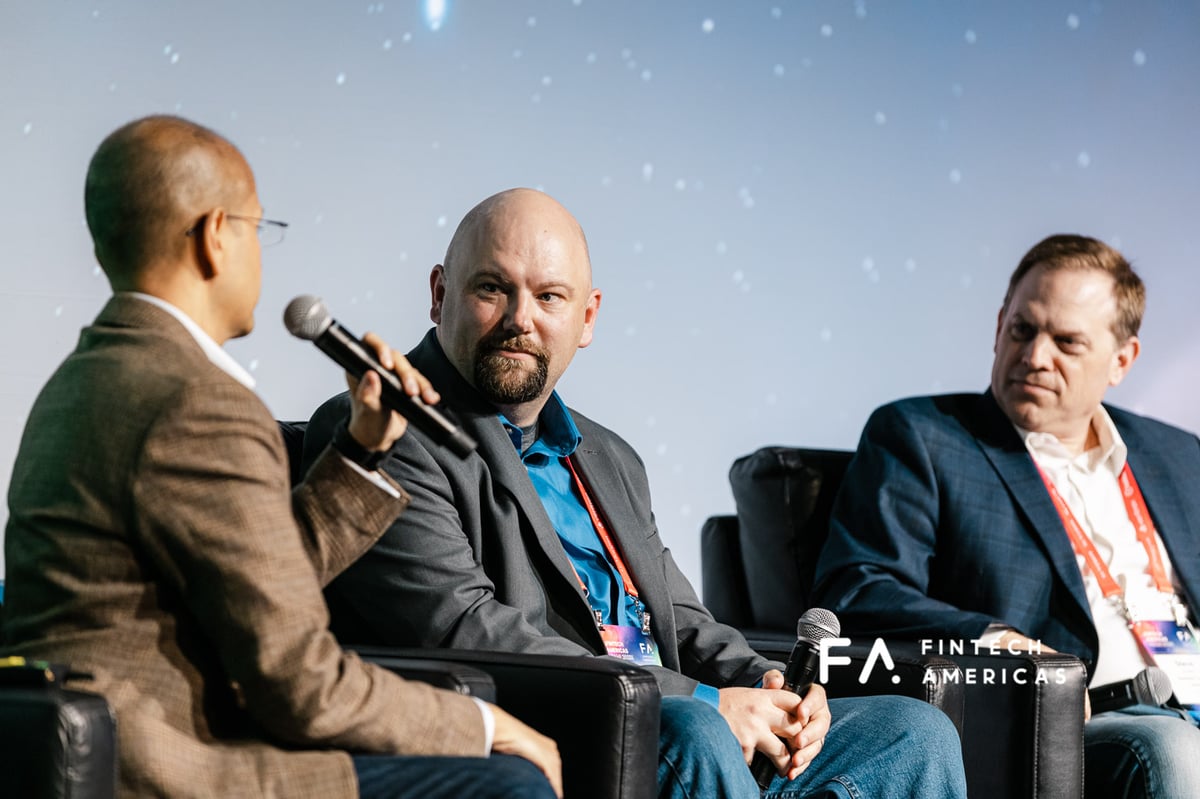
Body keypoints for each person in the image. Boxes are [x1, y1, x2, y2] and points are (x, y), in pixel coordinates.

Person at [304, 187, 968, 799]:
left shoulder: (610, 456)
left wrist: (765, 687)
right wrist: (704, 702)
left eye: (550, 297)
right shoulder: (383, 428)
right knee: (696, 733)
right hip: (562, 725)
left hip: (680, 723)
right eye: (491, 288)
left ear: (587, 317)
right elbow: (462, 628)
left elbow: (680, 618)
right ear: (439, 293)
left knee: (914, 733)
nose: (519, 319)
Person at [1, 116, 560, 799]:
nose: (262, 256)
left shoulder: (86, 378)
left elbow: (259, 579)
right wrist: (483, 724)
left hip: (103, 745)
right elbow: (298, 679)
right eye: (257, 228)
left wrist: (360, 450)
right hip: (172, 765)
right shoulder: (196, 401)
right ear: (216, 236)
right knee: (512, 783)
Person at [814, 233, 1200, 798]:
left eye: (1066, 342)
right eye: (1022, 329)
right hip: (1082, 721)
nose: (1035, 357)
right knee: (1175, 750)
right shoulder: (924, 437)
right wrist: (1001, 643)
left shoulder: (1180, 456)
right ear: (999, 326)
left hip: (1190, 697)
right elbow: (858, 587)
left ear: (1122, 360)